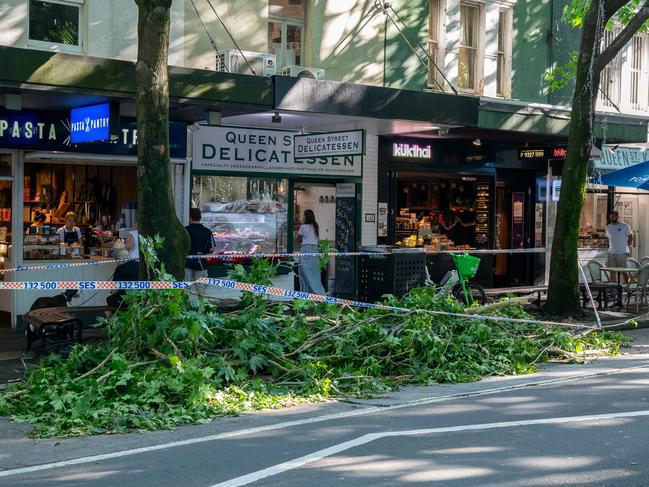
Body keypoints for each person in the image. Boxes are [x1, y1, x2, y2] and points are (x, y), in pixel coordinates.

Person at [296, 209, 326, 295]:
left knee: (304, 274)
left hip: (306, 251)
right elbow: (316, 239)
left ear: (305, 217)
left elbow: (298, 239)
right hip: (315, 251)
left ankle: (306, 294)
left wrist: (300, 238)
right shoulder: (315, 226)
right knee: (315, 274)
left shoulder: (303, 227)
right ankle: (319, 294)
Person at [185, 208, 215, 288]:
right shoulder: (207, 231)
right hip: (201, 264)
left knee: (186, 290)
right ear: (200, 217)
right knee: (201, 290)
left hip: (187, 264)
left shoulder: (185, 230)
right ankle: (201, 300)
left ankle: (187, 300)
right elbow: (211, 249)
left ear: (190, 217)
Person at [606, 210, 634, 283]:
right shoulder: (608, 227)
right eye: (610, 217)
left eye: (613, 217)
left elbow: (631, 237)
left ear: (617, 217)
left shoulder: (624, 226)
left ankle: (628, 286)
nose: (611, 218)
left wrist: (626, 247)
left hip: (622, 252)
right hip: (611, 252)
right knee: (612, 271)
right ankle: (613, 289)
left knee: (623, 271)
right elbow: (609, 238)